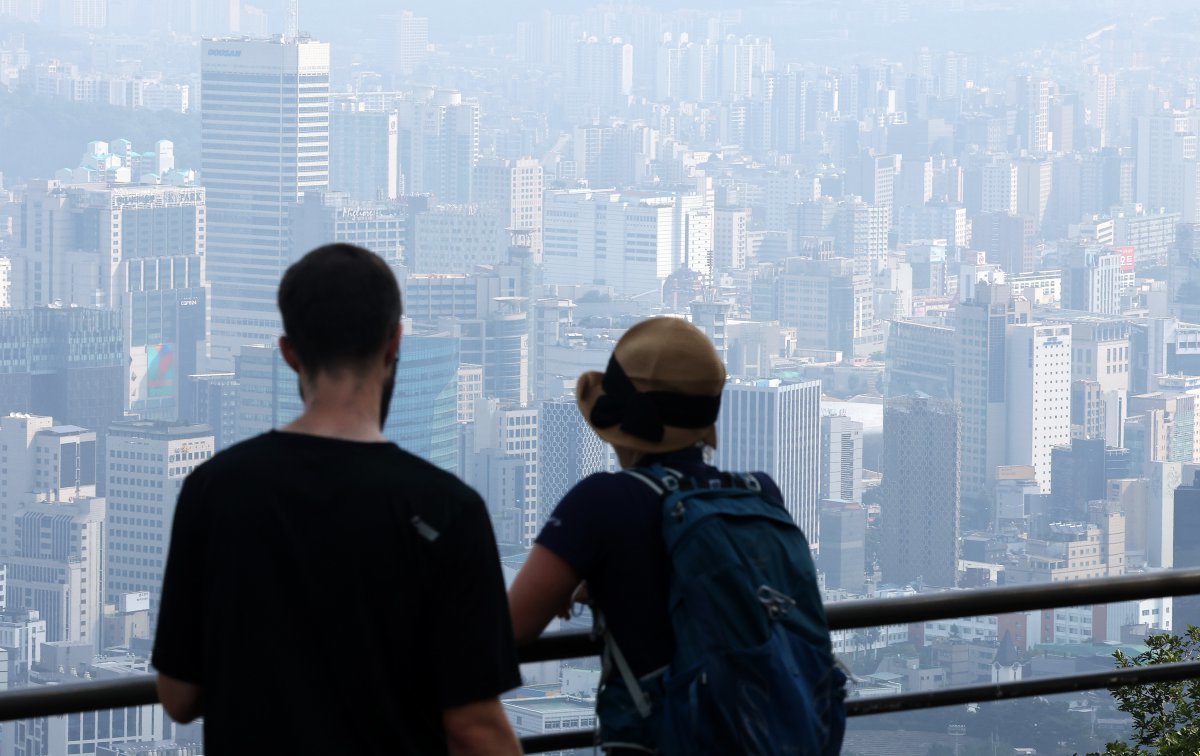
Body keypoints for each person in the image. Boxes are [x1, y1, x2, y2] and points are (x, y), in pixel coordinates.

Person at [152, 243, 523, 755]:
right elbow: (474, 726)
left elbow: (177, 696)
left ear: (288, 352)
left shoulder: (216, 489)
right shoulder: (447, 509)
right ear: (394, 342)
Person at [508, 317, 793, 753]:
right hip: (765, 732)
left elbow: (508, 627)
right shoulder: (758, 492)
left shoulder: (603, 502)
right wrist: (602, 583)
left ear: (621, 424)